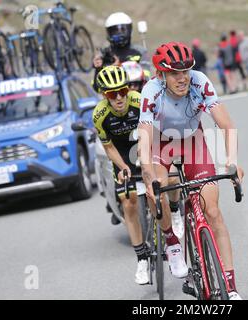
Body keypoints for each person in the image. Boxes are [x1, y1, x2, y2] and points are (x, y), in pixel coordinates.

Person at [138, 41, 244, 300]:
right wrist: (148, 172)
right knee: (157, 190)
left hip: (192, 141)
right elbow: (144, 135)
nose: (182, 77)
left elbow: (226, 124)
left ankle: (230, 288)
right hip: (160, 142)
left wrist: (231, 160)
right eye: (175, 72)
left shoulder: (200, 82)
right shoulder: (151, 91)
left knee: (213, 211)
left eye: (185, 71)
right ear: (161, 74)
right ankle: (172, 242)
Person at [92, 65, 149, 285]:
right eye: (112, 94)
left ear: (128, 89)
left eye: (122, 91)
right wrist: (123, 166)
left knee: (156, 189)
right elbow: (108, 148)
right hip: (120, 153)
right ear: (104, 96)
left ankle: (169, 238)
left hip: (142, 143)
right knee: (128, 202)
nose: (119, 98)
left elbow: (149, 132)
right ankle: (141, 258)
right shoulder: (99, 115)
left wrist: (144, 158)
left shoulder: (138, 101)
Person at [92, 12, 148, 92]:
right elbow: (97, 89)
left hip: (138, 99)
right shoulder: (104, 54)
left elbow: (146, 80)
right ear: (109, 33)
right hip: (114, 100)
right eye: (114, 31)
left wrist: (119, 67)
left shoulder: (140, 51)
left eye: (123, 30)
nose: (119, 34)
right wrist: (98, 69)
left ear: (130, 30)